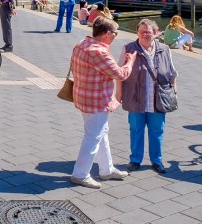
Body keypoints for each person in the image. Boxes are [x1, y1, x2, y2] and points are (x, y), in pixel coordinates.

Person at [69, 16, 136, 188]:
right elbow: (120, 74)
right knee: (93, 136)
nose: (115, 36)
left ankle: (106, 169)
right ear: (107, 33)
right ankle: (80, 174)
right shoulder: (98, 51)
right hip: (96, 100)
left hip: (83, 96)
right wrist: (130, 62)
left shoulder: (82, 44)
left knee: (101, 132)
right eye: (115, 33)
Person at [121, 19, 177, 173]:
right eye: (142, 32)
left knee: (157, 131)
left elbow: (172, 73)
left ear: (155, 33)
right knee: (136, 129)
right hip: (135, 98)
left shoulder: (164, 49)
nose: (145, 34)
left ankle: (156, 160)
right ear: (137, 33)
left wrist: (174, 93)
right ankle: (135, 159)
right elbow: (120, 74)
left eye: (148, 32)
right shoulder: (129, 49)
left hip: (158, 98)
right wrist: (118, 96)